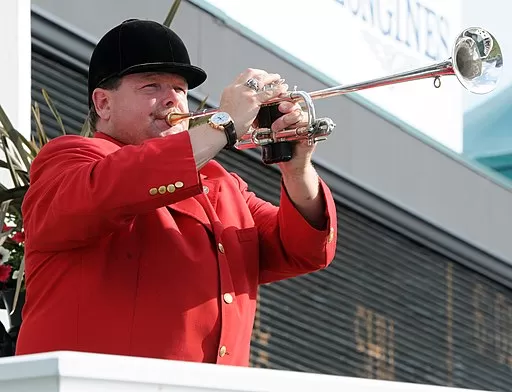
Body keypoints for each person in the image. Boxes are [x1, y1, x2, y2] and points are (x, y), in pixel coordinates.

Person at [15, 19, 337, 366]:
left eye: (180, 90)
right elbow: (119, 183)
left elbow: (302, 249)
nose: (172, 100)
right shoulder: (70, 159)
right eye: (151, 86)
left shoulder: (221, 183)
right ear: (103, 103)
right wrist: (224, 124)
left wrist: (297, 167)